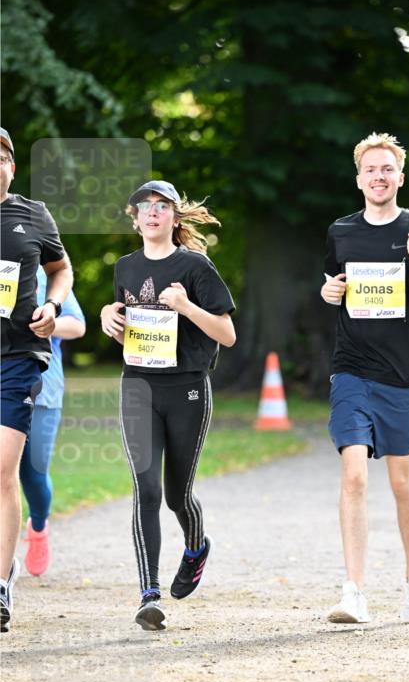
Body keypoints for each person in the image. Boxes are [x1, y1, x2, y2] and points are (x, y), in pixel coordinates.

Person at [321, 132, 409, 625]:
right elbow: (330, 285)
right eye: (370, 170)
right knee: (354, 473)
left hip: (404, 374)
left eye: (387, 170)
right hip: (352, 369)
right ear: (358, 179)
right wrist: (329, 291)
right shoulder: (341, 231)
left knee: (402, 481)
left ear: (400, 177)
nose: (378, 177)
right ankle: (353, 591)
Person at [100, 180, 236, 632]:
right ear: (134, 217)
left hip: (188, 389)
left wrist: (185, 306)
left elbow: (227, 334)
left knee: (178, 494)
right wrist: (108, 317)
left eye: (163, 207)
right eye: (145, 206)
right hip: (138, 385)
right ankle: (148, 594)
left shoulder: (195, 267)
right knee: (146, 489)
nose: (154, 213)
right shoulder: (125, 266)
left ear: (175, 218)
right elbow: (125, 316)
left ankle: (196, 545)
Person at [0, 126, 73, 632]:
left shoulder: (33, 214)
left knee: (3, 471)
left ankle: (1, 583)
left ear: (10, 166)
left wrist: (51, 304)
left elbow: (61, 268)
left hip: (18, 358)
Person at [19, 267, 86, 575]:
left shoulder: (46, 274)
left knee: (33, 474)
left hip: (42, 388)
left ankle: (38, 526)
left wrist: (50, 323)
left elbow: (77, 325)